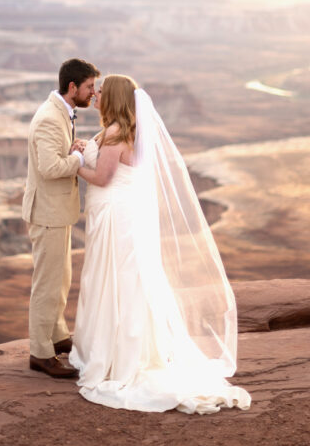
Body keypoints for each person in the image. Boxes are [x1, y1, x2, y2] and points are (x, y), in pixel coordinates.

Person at [69, 74, 251, 415]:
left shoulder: (113, 133)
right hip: (124, 216)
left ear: (115, 98)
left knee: (113, 281)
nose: (96, 95)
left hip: (114, 217)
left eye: (102, 92)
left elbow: (102, 178)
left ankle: (115, 358)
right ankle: (136, 349)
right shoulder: (131, 131)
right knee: (130, 281)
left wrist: (75, 162)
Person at [23, 57, 100, 378]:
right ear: (72, 87)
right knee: (48, 283)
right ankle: (40, 353)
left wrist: (73, 148)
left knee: (61, 279)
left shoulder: (61, 113)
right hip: (47, 213)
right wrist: (79, 156)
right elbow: (50, 167)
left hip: (57, 211)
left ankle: (56, 336)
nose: (93, 93)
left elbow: (58, 155)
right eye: (89, 87)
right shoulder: (48, 119)